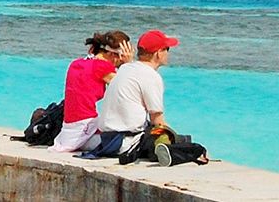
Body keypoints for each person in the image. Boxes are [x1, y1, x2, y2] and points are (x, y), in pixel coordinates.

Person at [81, 30, 194, 163]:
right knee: (185, 143)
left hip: (107, 140)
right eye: (166, 49)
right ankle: (165, 151)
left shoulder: (124, 69)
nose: (168, 53)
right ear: (158, 53)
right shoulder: (151, 76)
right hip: (126, 142)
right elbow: (157, 121)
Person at [50, 30, 132, 152]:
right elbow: (129, 89)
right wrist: (128, 64)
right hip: (84, 132)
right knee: (128, 144)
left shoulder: (76, 63)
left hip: (69, 131)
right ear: (114, 54)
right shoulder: (102, 67)